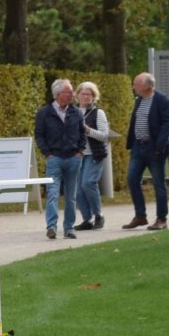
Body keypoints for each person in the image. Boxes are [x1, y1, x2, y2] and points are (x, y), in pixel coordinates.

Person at [123, 72, 169, 230]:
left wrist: (159, 148)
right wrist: (132, 142)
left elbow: (167, 125)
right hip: (138, 148)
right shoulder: (139, 100)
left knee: (159, 185)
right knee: (132, 179)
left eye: (136, 84)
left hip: (154, 149)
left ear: (146, 86)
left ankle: (161, 219)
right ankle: (140, 216)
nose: (134, 87)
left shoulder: (162, 100)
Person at [34, 78, 86, 240]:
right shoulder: (44, 113)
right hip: (54, 158)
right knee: (53, 193)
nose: (72, 94)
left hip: (73, 158)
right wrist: (47, 153)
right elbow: (39, 135)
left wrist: (80, 151)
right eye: (68, 91)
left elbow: (82, 133)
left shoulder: (76, 112)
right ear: (58, 94)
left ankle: (69, 228)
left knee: (71, 196)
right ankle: (51, 227)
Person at [74, 81, 114, 231]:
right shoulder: (72, 112)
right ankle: (87, 219)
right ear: (77, 96)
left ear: (93, 97)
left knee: (88, 183)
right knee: (77, 189)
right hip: (77, 155)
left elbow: (104, 136)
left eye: (89, 94)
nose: (85, 97)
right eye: (83, 94)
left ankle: (98, 215)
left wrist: (87, 130)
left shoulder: (98, 113)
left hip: (93, 154)